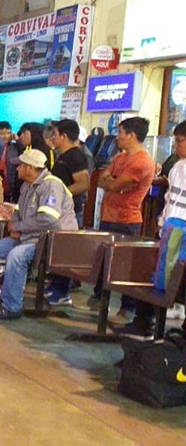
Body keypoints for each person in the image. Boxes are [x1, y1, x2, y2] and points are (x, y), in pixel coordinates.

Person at [0, 149, 77, 320]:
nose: (17, 168)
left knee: (16, 256)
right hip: (29, 236)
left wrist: (19, 227)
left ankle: (12, 307)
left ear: (30, 168)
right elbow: (18, 211)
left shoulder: (51, 186)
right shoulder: (27, 185)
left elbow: (49, 220)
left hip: (51, 240)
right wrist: (14, 226)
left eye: (20, 165)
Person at [82, 118, 154, 325]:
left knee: (125, 267)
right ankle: (99, 300)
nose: (117, 137)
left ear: (131, 135)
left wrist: (112, 182)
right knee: (103, 261)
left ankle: (127, 308)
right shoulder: (120, 157)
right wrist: (112, 181)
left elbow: (114, 185)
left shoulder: (142, 161)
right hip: (107, 217)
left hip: (126, 220)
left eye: (120, 133)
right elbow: (101, 179)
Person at [120, 122, 186, 338]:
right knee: (155, 276)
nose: (176, 146)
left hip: (182, 235)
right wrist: (162, 221)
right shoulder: (177, 168)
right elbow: (170, 199)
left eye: (180, 141)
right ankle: (143, 324)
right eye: (175, 141)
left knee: (175, 280)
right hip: (170, 230)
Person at [41, 119, 92, 306]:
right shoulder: (63, 155)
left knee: (65, 252)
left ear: (63, 136)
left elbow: (84, 183)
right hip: (57, 212)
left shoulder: (76, 156)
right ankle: (55, 285)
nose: (52, 138)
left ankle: (62, 291)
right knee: (57, 251)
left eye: (55, 134)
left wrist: (62, 194)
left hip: (69, 213)